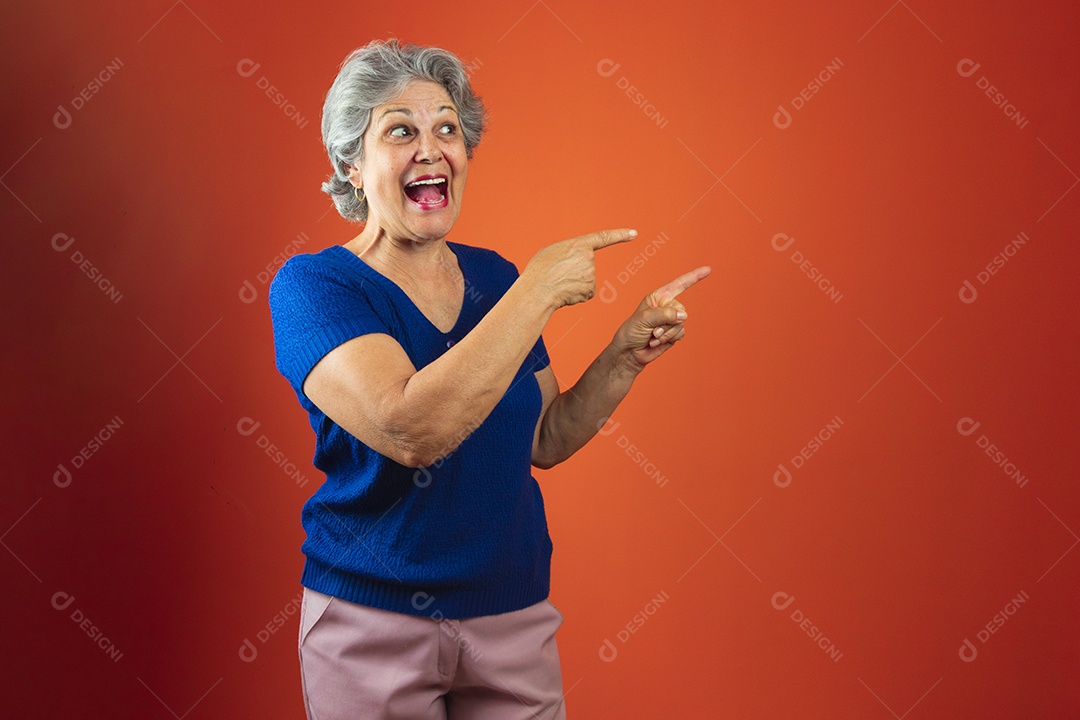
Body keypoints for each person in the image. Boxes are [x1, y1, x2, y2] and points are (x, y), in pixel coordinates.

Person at [269, 39, 710, 720]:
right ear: (352, 166)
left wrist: (622, 357)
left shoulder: (496, 279)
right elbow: (411, 428)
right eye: (400, 131)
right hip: (372, 624)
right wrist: (537, 291)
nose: (431, 147)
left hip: (511, 614)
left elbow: (546, 437)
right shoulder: (315, 286)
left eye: (447, 128)